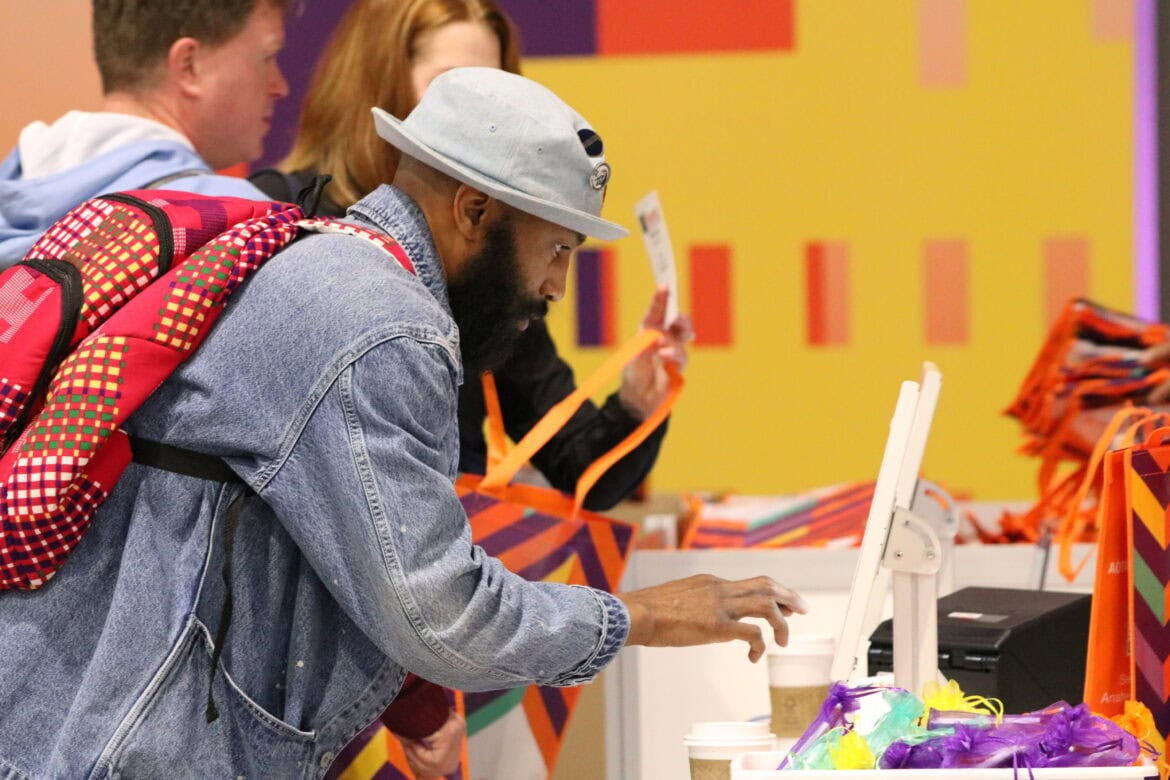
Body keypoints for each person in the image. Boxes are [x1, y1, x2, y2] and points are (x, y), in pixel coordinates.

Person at [0, 67, 807, 778]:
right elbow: (439, 611)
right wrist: (651, 614)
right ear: (473, 209)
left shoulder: (322, 264)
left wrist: (416, 700)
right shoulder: (383, 323)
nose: (557, 285)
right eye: (555, 248)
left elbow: (345, 543)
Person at [251, 0, 685, 513]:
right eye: (450, 81)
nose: (481, 102)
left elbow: (577, 461)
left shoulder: (489, 253)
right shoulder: (279, 221)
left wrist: (636, 402)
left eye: (494, 80)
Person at [0, 0, 290, 264]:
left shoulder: (13, 195)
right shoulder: (244, 224)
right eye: (267, 57)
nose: (280, 87)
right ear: (189, 65)